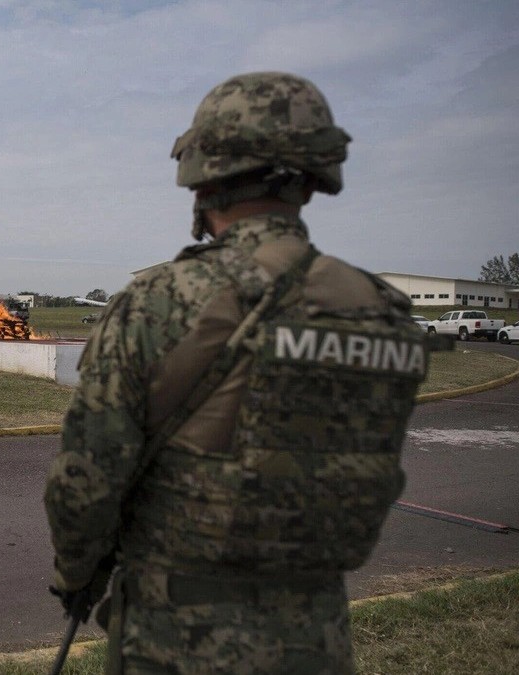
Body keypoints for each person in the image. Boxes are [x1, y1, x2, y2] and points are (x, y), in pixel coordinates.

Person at [45, 72, 429, 674]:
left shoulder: (162, 300)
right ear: (312, 175)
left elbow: (86, 480)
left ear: (205, 174)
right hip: (318, 639)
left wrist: (75, 573)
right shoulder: (383, 313)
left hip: (175, 641)